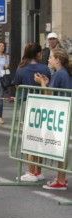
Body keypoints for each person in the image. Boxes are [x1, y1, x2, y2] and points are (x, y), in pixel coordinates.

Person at [34, 48, 72, 190]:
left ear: (58, 60)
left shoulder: (59, 73)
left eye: (51, 57)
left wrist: (42, 83)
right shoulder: (66, 72)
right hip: (65, 112)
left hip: (60, 113)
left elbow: (49, 95)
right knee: (61, 147)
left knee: (59, 147)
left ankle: (61, 181)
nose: (48, 59)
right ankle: (61, 178)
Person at [14, 42, 51, 182]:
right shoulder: (45, 68)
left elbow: (17, 86)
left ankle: (31, 172)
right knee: (40, 137)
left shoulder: (21, 68)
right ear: (38, 54)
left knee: (29, 137)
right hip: (43, 105)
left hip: (27, 104)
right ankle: (39, 171)